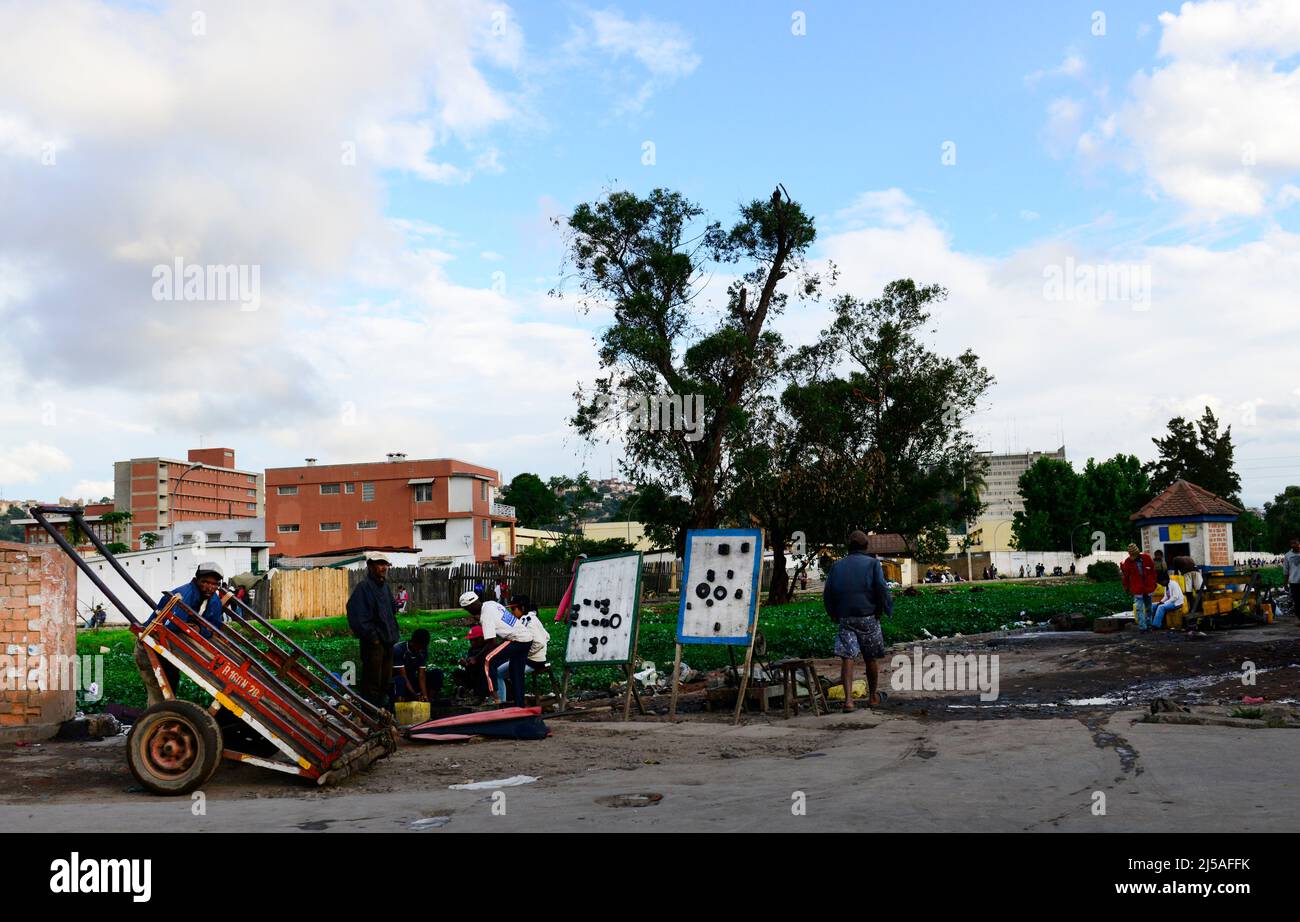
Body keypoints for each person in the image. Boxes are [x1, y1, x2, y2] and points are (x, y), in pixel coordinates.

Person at [133, 562, 225, 707]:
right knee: (159, 690)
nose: (210, 587)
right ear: (196, 580)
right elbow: (171, 627)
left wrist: (200, 629)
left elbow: (214, 627)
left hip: (173, 649)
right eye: (205, 582)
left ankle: (165, 715)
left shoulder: (214, 601)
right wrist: (190, 629)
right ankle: (157, 720)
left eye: (215, 584)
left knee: (171, 682)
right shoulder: (183, 596)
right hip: (151, 645)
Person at [823, 530, 893, 710]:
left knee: (847, 657)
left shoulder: (837, 566)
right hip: (869, 617)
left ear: (849, 547)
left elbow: (828, 593)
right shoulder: (873, 564)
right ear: (866, 546)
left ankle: (848, 701)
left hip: (846, 618)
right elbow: (881, 589)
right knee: (871, 658)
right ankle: (872, 697)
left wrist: (833, 613)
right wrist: (884, 610)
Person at [459, 590, 533, 708]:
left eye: (467, 609)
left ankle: (495, 698)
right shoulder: (491, 604)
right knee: (516, 674)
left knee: (488, 660)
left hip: (516, 640)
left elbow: (492, 643)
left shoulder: (485, 616)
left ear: (471, 606)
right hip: (527, 639)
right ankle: (520, 706)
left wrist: (476, 658)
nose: (468, 612)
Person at [346, 552, 400, 709]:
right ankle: (369, 714)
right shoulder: (364, 587)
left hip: (388, 641)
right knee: (372, 681)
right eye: (379, 564)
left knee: (385, 680)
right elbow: (355, 614)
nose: (383, 567)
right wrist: (372, 637)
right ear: (370, 566)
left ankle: (381, 713)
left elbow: (391, 609)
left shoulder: (384, 587)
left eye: (385, 564)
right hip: (374, 643)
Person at [492, 594, 550, 704]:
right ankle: (503, 702)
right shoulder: (528, 618)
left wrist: (526, 653)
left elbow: (540, 642)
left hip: (533, 661)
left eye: (514, 609)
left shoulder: (528, 620)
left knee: (513, 672)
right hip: (531, 658)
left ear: (522, 608)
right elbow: (547, 636)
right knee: (499, 672)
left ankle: (510, 703)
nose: (512, 612)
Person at [391, 628, 443, 705]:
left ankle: (429, 701)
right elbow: (403, 675)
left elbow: (421, 675)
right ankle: (401, 704)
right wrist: (415, 695)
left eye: (423, 648)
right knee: (399, 680)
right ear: (413, 643)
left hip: (412, 681)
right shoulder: (399, 649)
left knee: (437, 673)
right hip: (400, 684)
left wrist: (425, 696)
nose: (421, 651)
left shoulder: (423, 650)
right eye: (420, 648)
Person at [1121, 543, 1158, 632]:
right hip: (1137, 588)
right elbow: (1126, 576)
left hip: (1148, 587)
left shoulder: (1147, 558)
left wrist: (1153, 583)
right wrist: (1125, 587)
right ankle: (1142, 627)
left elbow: (1153, 572)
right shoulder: (1127, 562)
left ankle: (1149, 625)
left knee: (1149, 608)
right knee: (1139, 608)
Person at [1285, 537, 1300, 617]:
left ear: (1299, 543)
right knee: (1297, 602)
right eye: (1292, 543)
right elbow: (1286, 570)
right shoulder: (1288, 555)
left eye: (1295, 543)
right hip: (1294, 582)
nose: (1294, 545)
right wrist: (1285, 583)